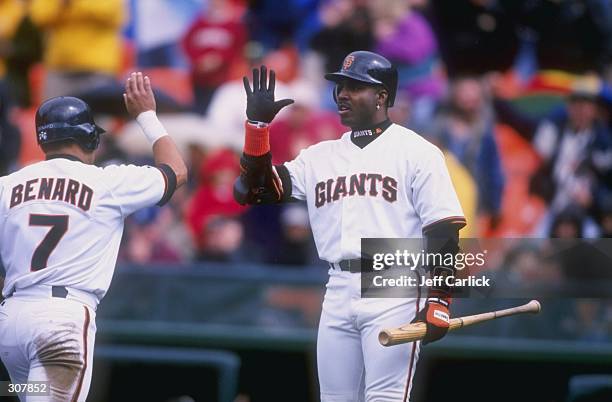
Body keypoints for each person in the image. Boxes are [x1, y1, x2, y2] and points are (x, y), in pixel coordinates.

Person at [234, 51, 466, 401]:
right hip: (338, 285)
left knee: (385, 398)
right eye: (340, 86)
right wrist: (258, 129)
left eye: (354, 86)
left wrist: (440, 298)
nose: (342, 93)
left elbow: (444, 231)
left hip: (393, 281)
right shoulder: (319, 156)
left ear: (382, 96)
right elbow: (253, 190)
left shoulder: (417, 152)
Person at [0, 71, 187, 401]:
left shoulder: (8, 185)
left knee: (25, 394)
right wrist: (146, 115)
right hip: (61, 321)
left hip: (11, 322)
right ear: (90, 139)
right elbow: (176, 171)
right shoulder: (107, 183)